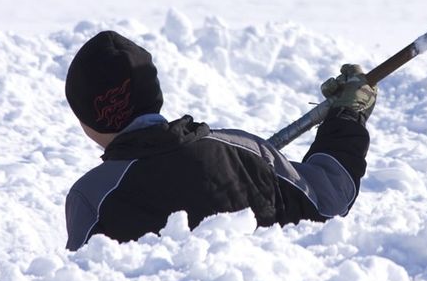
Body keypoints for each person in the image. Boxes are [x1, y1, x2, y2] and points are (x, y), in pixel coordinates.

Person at [64, 30, 377, 250]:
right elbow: (329, 198)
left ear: (87, 119)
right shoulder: (246, 152)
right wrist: (348, 114)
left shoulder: (91, 196)